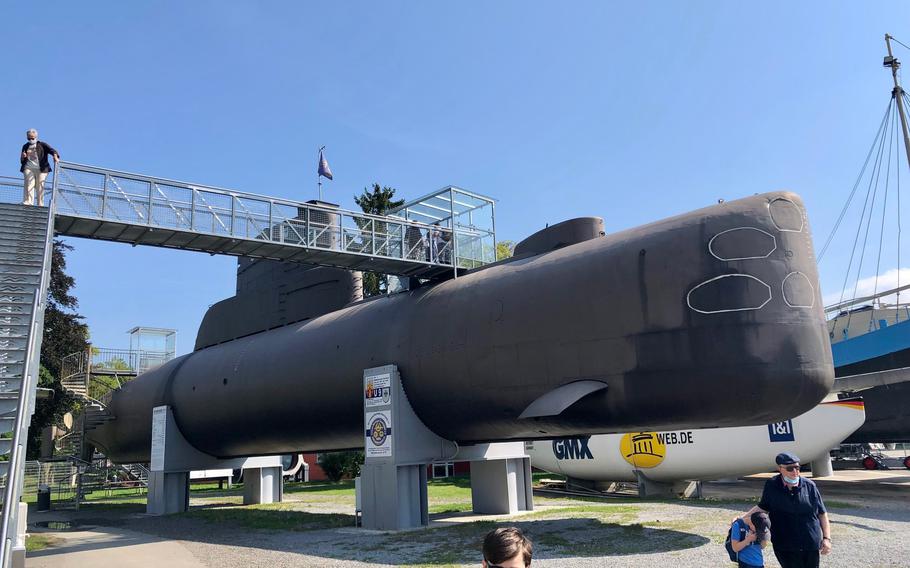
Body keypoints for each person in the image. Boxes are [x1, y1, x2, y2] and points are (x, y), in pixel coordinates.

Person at [742, 452, 831, 568]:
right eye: (790, 468)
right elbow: (762, 507)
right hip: (784, 544)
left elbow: (822, 514)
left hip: (810, 543)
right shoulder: (772, 485)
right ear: (780, 469)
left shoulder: (810, 486)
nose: (795, 472)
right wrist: (742, 519)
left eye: (797, 467)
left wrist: (826, 539)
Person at [19, 129, 59, 206]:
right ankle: (28, 202)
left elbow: (52, 150)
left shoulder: (42, 144)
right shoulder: (25, 146)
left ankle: (40, 204)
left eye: (32, 138)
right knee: (29, 183)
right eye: (29, 138)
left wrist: (55, 156)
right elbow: (22, 160)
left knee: (39, 186)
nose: (31, 140)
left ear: (36, 137)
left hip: (42, 169)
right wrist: (23, 157)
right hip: (28, 167)